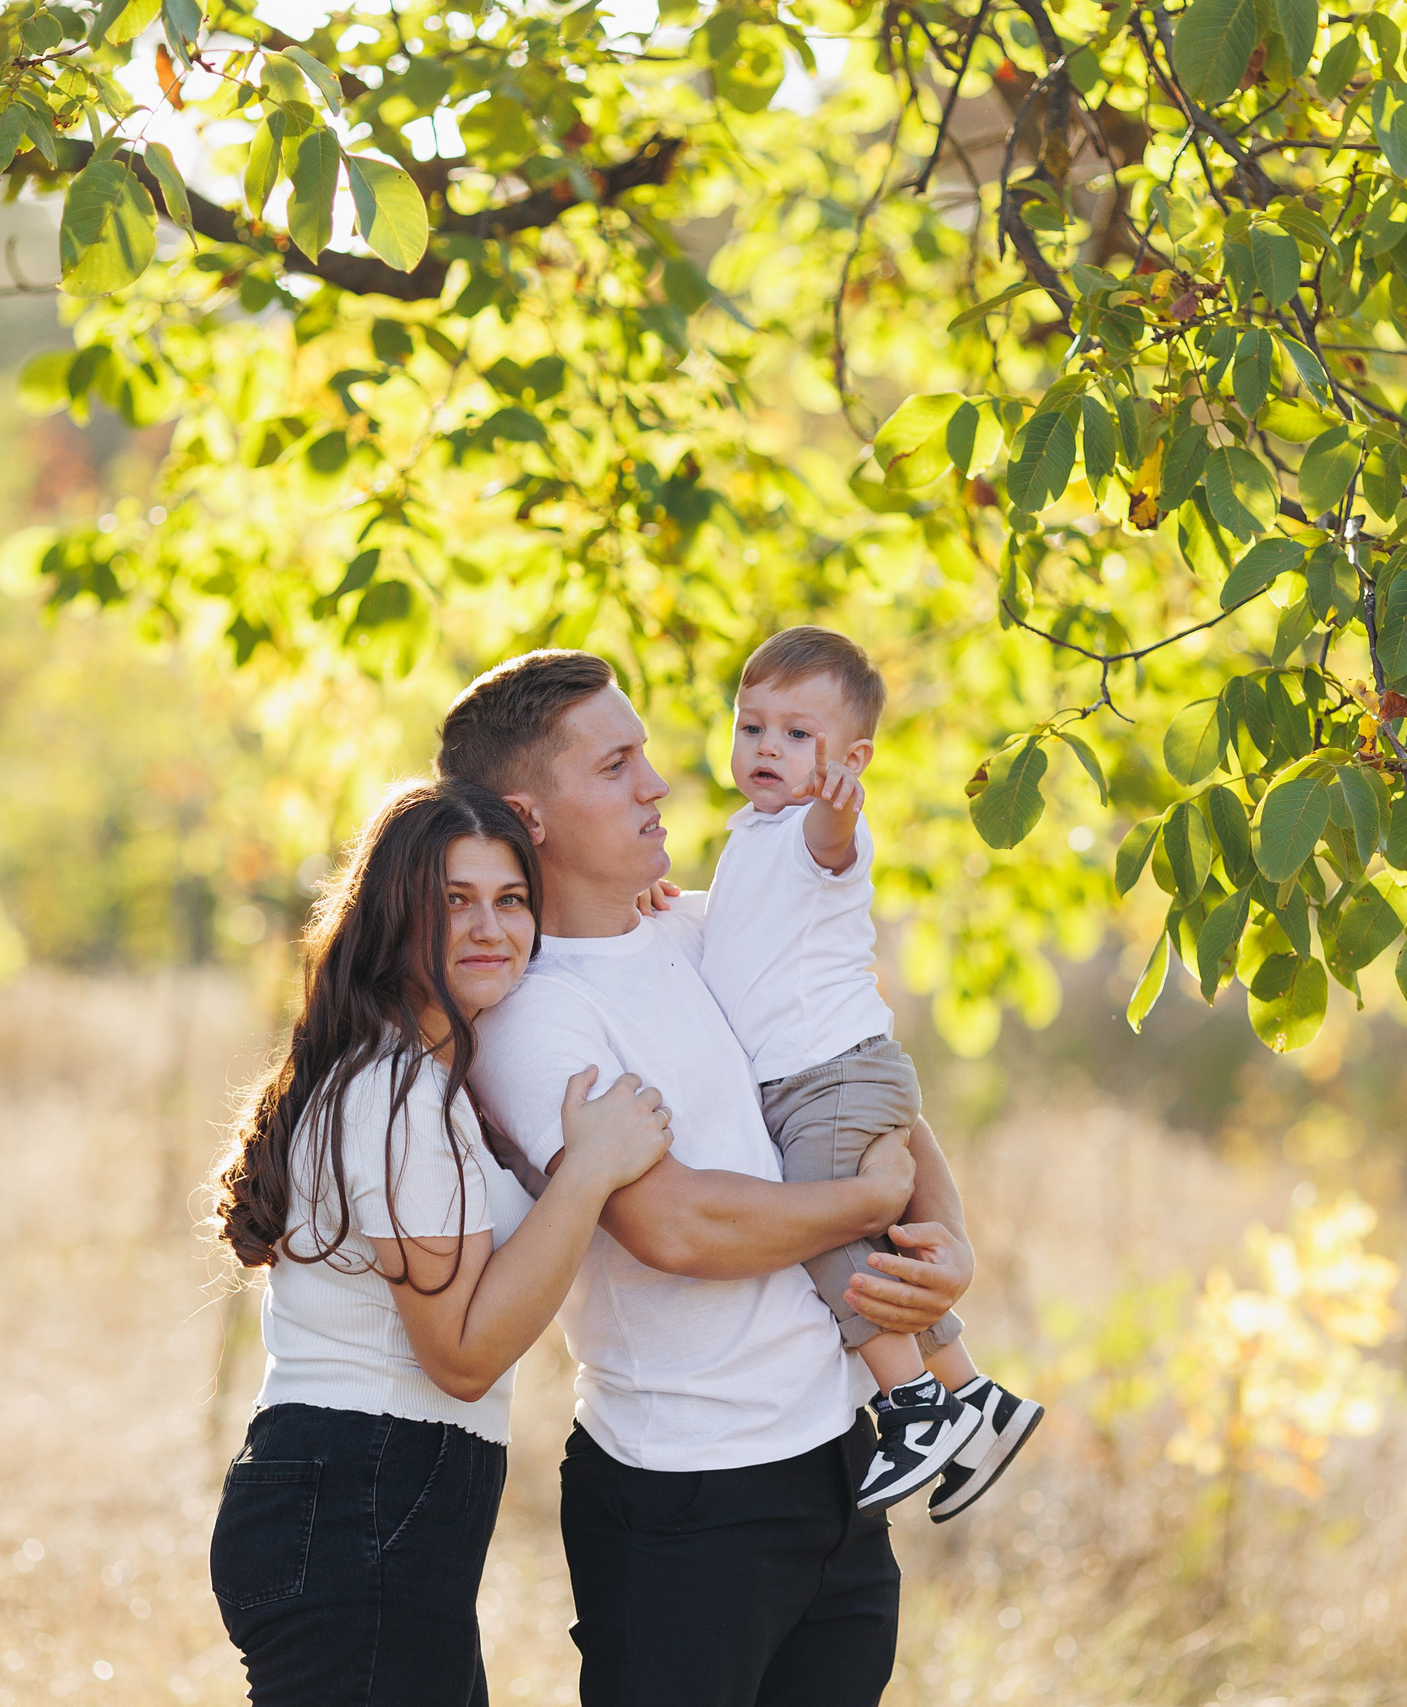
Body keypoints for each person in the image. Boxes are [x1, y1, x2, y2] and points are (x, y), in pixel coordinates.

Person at [442, 650, 976, 1707]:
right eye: (616, 765)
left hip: (838, 1457)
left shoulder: (700, 924)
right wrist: (870, 1206)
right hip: (685, 1499)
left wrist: (945, 1240)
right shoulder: (532, 1015)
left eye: (645, 754)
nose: (658, 783)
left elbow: (862, 1074)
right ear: (528, 814)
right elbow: (676, 1227)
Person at [206, 777, 675, 1706]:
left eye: (511, 900)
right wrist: (587, 1171)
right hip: (359, 1500)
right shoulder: (395, 1095)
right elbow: (459, 1355)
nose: (488, 928)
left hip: (368, 1505)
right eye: (452, 902)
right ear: (393, 918)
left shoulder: (415, 1080)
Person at [700, 625, 1044, 1520]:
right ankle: (972, 1394)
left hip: (833, 1076)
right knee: (875, 1245)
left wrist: (839, 808)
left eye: (797, 734)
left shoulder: (819, 832)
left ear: (849, 759)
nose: (767, 747)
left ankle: (910, 1405)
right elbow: (748, 928)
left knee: (817, 1228)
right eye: (751, 726)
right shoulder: (750, 835)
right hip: (835, 1077)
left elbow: (829, 847)